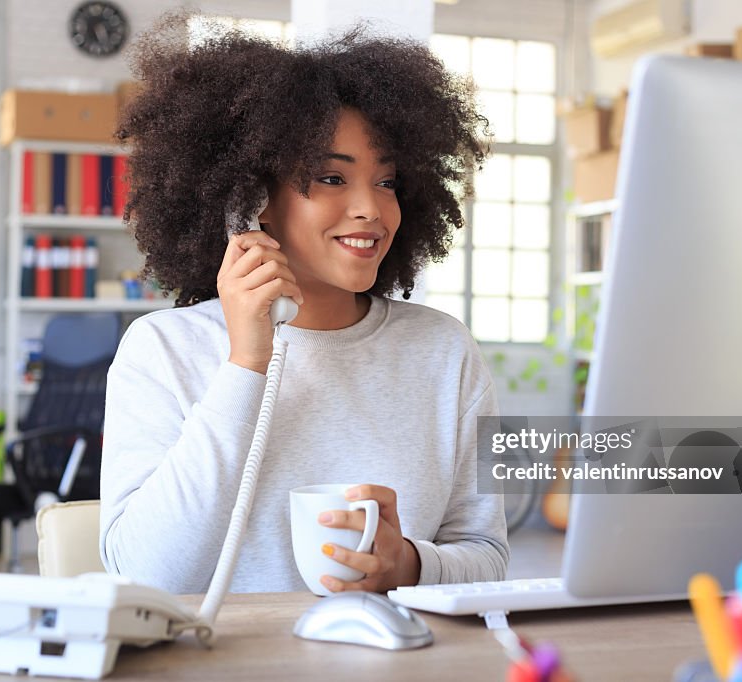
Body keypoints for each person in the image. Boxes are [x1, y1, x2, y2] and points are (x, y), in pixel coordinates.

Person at [100, 12, 509, 594]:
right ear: (250, 199)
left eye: (388, 182)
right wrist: (246, 362)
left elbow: (487, 556)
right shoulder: (164, 350)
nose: (371, 208)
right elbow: (146, 575)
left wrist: (409, 565)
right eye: (332, 179)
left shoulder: (443, 350)